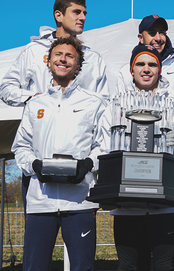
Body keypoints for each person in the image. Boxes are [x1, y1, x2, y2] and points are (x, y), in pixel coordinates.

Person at [0, 0, 109, 215]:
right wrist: (35, 100)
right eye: (76, 12)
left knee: (79, 232)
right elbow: (6, 89)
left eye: (85, 13)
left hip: (80, 158)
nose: (83, 17)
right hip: (42, 153)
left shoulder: (93, 58)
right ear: (58, 15)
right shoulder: (34, 52)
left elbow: (105, 103)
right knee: (38, 231)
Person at [12, 36, 107, 271]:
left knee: (82, 267)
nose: (63, 59)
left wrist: (88, 164)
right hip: (40, 202)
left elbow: (104, 145)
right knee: (34, 267)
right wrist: (34, 166)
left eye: (70, 56)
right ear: (49, 61)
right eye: (58, 55)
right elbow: (20, 146)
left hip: (80, 202)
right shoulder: (35, 104)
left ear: (78, 65)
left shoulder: (94, 102)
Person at [108, 44, 174, 271]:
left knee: (164, 266)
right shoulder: (115, 105)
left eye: (152, 65)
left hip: (164, 205)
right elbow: (101, 146)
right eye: (140, 64)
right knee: (128, 266)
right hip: (127, 205)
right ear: (131, 70)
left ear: (160, 70)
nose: (146, 69)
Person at [117, 14, 174, 100]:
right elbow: (119, 107)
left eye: (162, 33)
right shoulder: (126, 72)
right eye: (152, 33)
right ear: (141, 38)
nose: (158, 38)